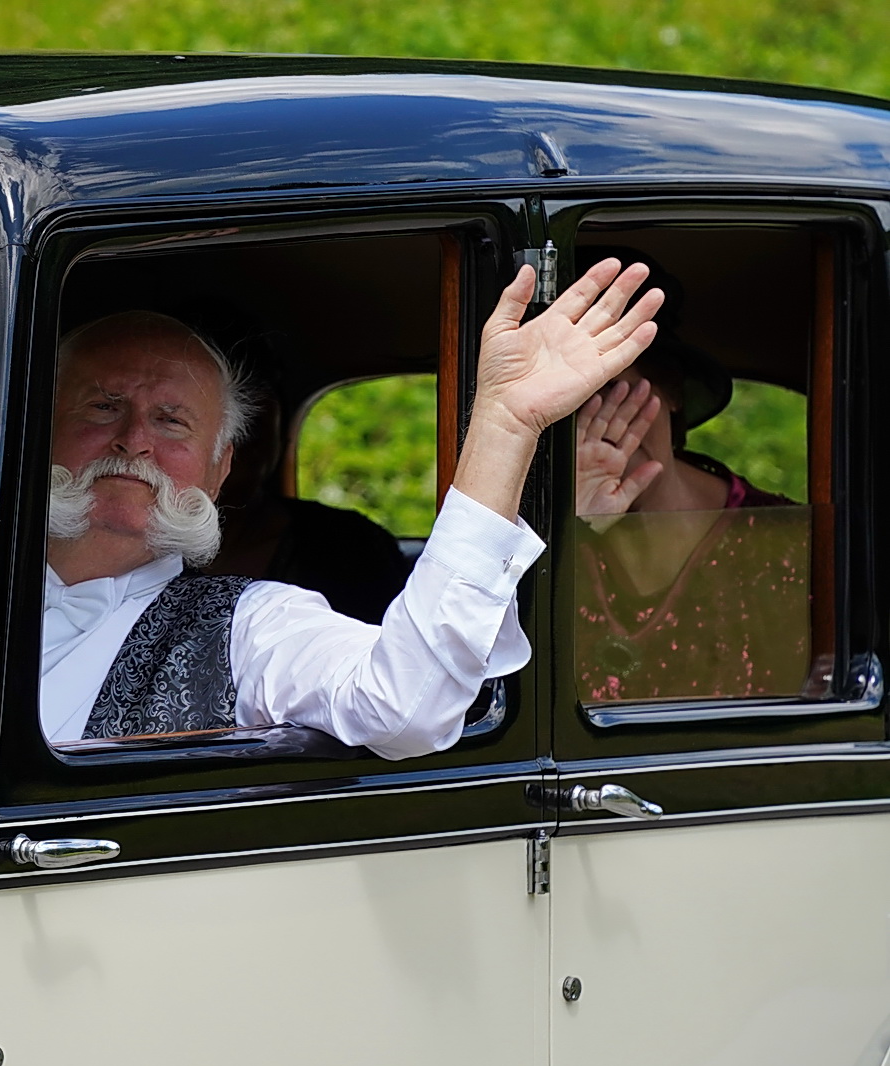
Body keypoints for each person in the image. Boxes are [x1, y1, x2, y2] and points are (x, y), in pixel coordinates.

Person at [42, 257, 663, 756]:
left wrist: (504, 424)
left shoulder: (251, 628)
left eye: (172, 420)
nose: (134, 439)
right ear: (37, 428)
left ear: (219, 468)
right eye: (102, 406)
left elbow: (402, 706)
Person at [572, 342, 808, 701]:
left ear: (670, 391)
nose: (594, 425)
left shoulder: (786, 540)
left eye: (609, 390)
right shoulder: (535, 547)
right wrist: (571, 530)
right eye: (570, 403)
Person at [207, 388, 410, 624]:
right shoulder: (156, 545)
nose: (240, 445)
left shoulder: (348, 545)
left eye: (254, 428)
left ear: (280, 439)